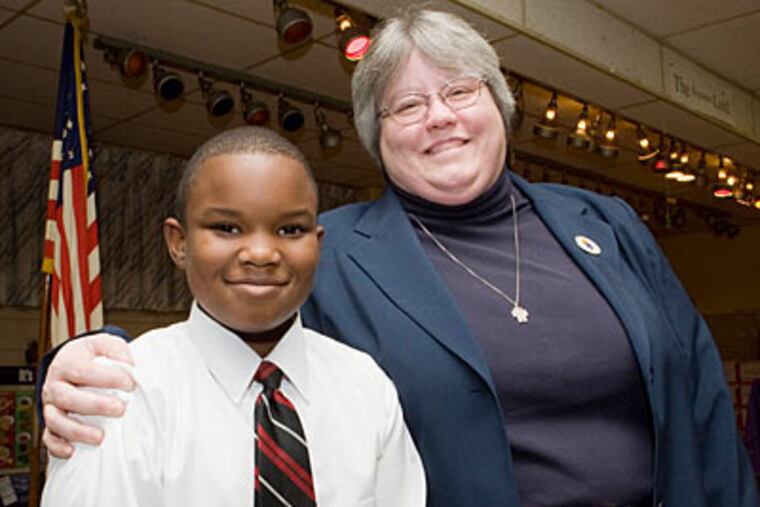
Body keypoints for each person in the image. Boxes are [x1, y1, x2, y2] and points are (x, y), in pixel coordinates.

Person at [39, 7, 757, 507]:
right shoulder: (331, 247)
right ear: (375, 134)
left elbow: (699, 394)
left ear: (498, 104)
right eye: (406, 106)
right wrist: (101, 356)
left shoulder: (606, 222)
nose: (439, 117)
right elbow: (232, 328)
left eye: (459, 91)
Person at [40, 126, 426, 507]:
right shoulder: (118, 396)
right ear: (179, 243)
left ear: (317, 244)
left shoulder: (366, 386)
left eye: (290, 229)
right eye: (226, 228)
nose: (260, 252)